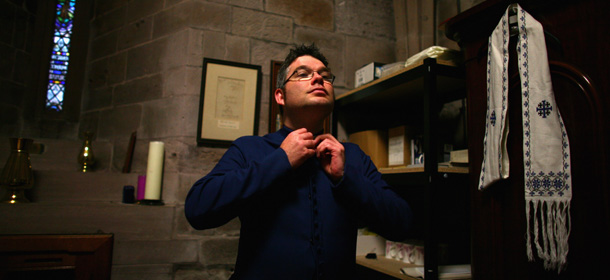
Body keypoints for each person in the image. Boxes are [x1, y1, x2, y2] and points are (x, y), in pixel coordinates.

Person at [185, 44, 413, 279]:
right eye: (303, 74)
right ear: (280, 96)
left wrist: (346, 178)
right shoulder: (249, 149)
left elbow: (402, 224)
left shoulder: (352, 157)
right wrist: (280, 160)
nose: (318, 79)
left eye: (325, 76)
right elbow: (198, 209)